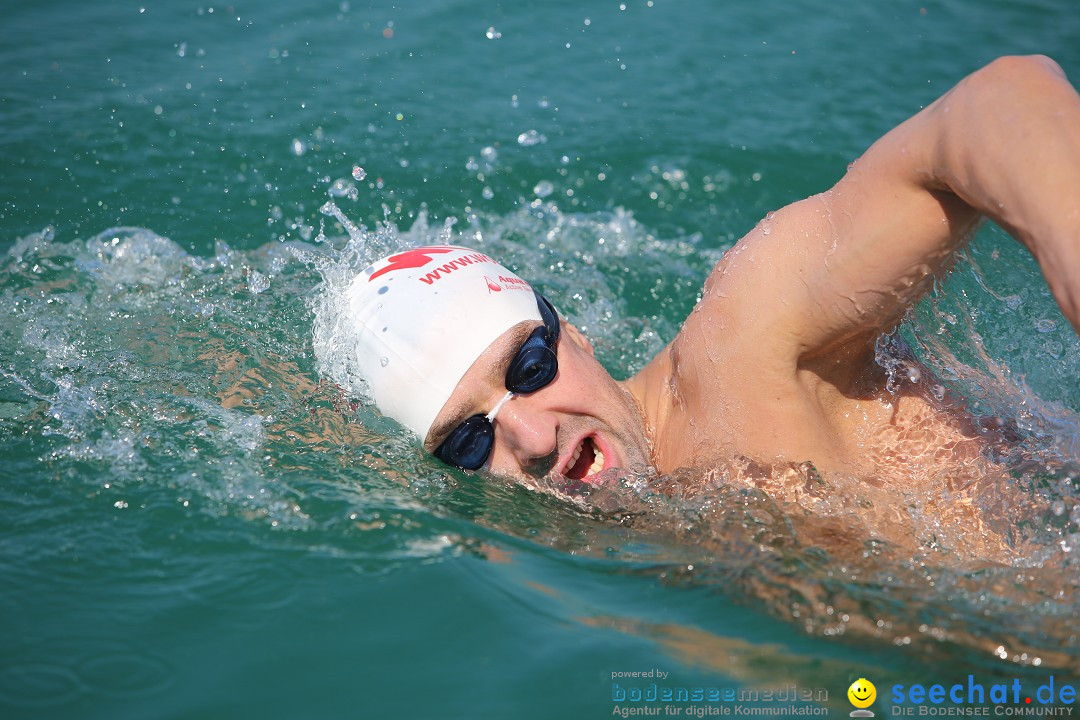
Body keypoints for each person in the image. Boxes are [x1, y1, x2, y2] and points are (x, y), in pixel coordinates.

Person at [344, 55, 1080, 498]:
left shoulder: (746, 344)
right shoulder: (610, 563)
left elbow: (997, 103)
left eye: (530, 367)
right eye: (471, 441)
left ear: (580, 336)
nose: (534, 438)